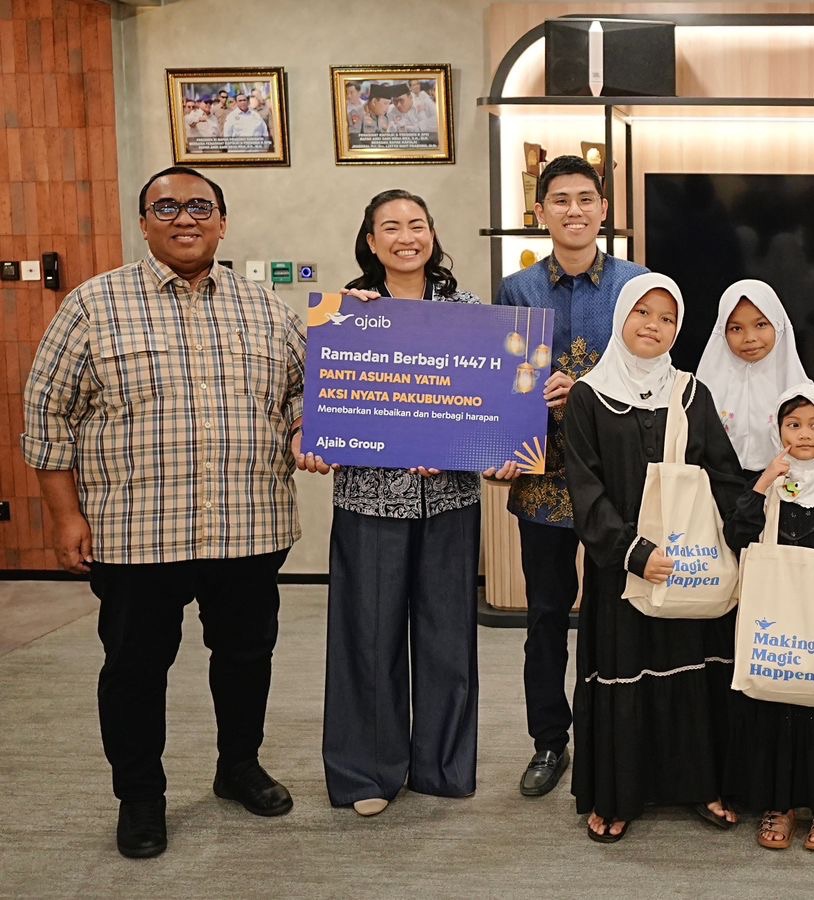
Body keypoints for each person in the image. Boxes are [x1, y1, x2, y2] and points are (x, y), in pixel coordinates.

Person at [21, 167, 305, 859]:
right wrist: (65, 517)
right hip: (136, 532)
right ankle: (141, 796)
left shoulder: (268, 309)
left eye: (200, 206)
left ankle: (238, 766)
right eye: (167, 206)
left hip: (248, 524)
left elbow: (307, 393)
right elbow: (46, 415)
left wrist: (307, 429)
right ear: (144, 222)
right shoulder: (93, 305)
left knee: (245, 657)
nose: (185, 218)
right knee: (135, 669)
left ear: (222, 222)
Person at [293, 190, 517, 817]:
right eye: (390, 227)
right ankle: (366, 772)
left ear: (433, 234)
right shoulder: (346, 313)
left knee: (448, 637)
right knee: (368, 636)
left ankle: (442, 766)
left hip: (450, 499)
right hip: (369, 498)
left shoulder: (470, 314)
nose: (406, 236)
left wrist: (476, 445)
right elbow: (319, 395)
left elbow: (491, 402)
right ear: (371, 242)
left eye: (416, 224)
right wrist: (315, 432)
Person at [563, 272, 746, 842]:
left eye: (667, 318)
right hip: (622, 571)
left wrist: (751, 532)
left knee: (694, 673)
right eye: (643, 312)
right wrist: (633, 552)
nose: (654, 326)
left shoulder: (692, 393)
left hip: (690, 567)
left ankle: (702, 784)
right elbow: (584, 488)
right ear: (620, 317)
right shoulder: (588, 396)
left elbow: (724, 475)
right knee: (626, 673)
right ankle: (618, 795)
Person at [499, 155, 648, 799]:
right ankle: (548, 741)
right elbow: (503, 378)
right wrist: (525, 409)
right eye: (560, 200)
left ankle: (616, 736)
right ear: (540, 213)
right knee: (546, 617)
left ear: (604, 209)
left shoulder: (638, 284)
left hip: (618, 481)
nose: (574, 210)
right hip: (545, 478)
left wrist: (584, 388)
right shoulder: (517, 289)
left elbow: (654, 369)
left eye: (586, 198)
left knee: (620, 614)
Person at [722, 383, 814, 852]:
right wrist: (764, 482)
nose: (804, 434)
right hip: (777, 626)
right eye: (793, 424)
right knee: (775, 707)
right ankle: (780, 804)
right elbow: (736, 535)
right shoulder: (768, 487)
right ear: (778, 430)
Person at [696, 279, 811, 482]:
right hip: (717, 489)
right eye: (736, 328)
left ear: (778, 325)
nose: (749, 337)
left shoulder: (804, 393)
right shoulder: (701, 391)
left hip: (785, 488)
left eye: (760, 325)